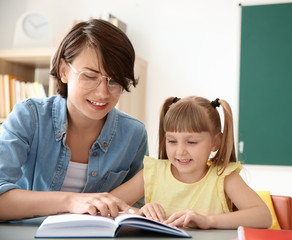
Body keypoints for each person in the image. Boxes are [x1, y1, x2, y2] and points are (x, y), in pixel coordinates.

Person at [0, 19, 148, 221]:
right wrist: (70, 201)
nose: (103, 93)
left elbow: (136, 209)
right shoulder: (29, 117)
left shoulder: (134, 134)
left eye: (114, 81)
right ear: (64, 70)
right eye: (89, 76)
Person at [111, 96, 272, 229]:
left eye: (192, 142)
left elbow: (263, 217)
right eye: (172, 141)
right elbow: (107, 204)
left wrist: (208, 221)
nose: (180, 151)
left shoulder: (224, 177)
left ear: (216, 142)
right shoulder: (152, 173)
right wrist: (138, 213)